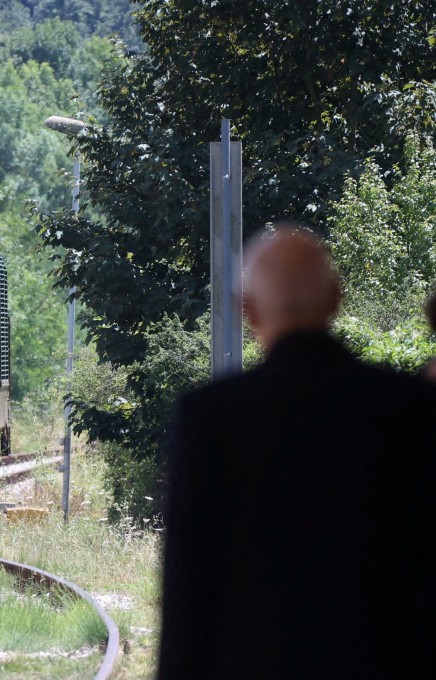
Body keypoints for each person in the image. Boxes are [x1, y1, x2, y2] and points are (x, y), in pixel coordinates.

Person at [157, 225, 436, 679]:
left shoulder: (209, 417)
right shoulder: (411, 407)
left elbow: (189, 593)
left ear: (247, 310)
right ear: (335, 298)